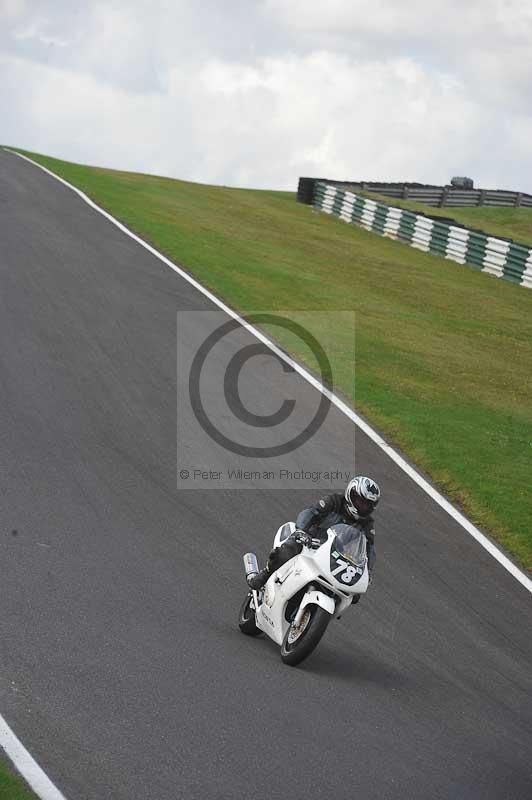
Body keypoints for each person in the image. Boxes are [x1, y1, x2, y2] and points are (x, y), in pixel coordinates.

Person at [248, 476, 380, 592]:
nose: (363, 507)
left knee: (352, 593)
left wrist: (368, 571)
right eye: (360, 502)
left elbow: (370, 548)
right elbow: (311, 512)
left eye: (367, 505)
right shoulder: (335, 501)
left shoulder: (367, 523)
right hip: (310, 541)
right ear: (351, 495)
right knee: (289, 549)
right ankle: (265, 574)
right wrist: (301, 530)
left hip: (334, 556)